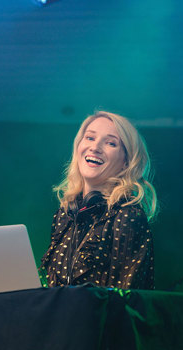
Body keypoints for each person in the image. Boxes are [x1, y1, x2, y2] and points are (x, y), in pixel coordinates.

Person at [39, 111, 157, 290]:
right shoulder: (65, 214)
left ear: (126, 161)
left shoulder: (128, 215)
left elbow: (125, 299)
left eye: (110, 143)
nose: (95, 147)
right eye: (90, 138)